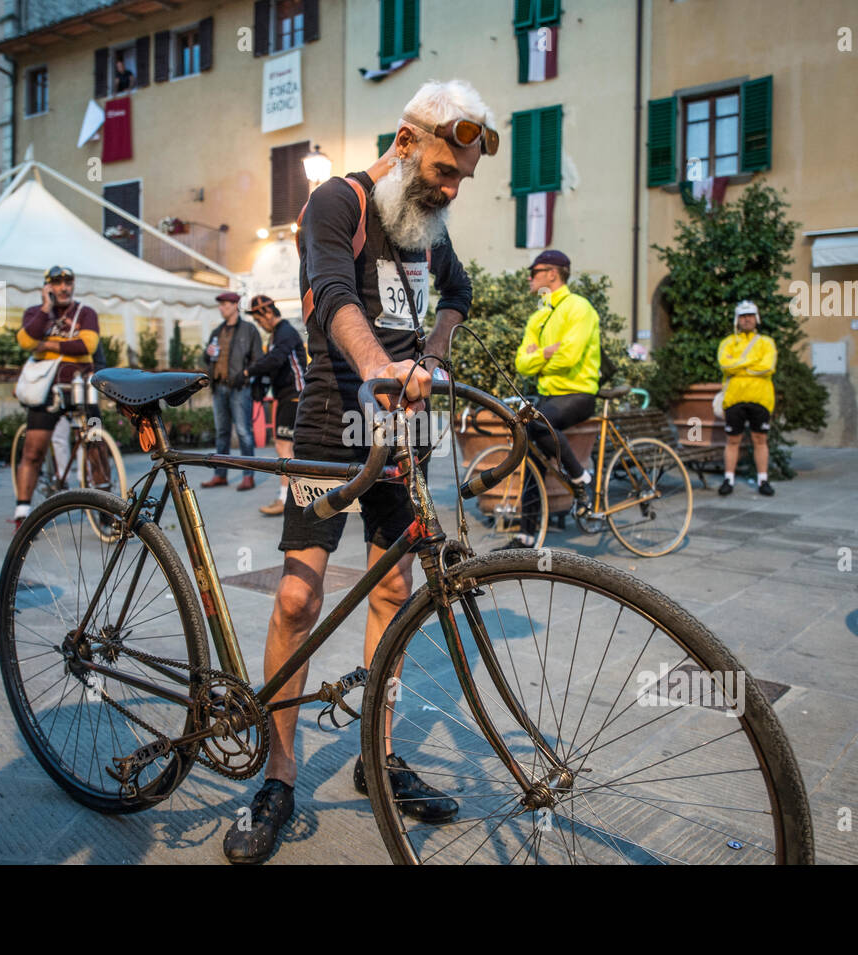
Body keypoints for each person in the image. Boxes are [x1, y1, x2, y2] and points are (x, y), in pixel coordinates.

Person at [221, 79, 493, 865]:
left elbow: (459, 294)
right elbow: (332, 293)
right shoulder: (339, 203)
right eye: (444, 170)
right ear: (407, 143)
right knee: (300, 596)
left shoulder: (428, 225)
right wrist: (379, 366)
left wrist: (430, 359)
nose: (450, 189)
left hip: (401, 433)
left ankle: (379, 757)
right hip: (331, 425)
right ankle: (278, 772)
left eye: (461, 180)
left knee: (395, 590)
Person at [501, 249, 601, 549]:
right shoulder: (539, 316)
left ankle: (581, 478)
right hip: (550, 395)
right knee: (530, 455)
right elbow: (522, 362)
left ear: (553, 274)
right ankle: (526, 535)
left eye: (535, 271)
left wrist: (539, 356)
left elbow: (569, 357)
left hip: (579, 393)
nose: (530, 277)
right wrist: (548, 351)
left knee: (538, 425)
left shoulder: (579, 308)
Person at [12, 265, 102, 524]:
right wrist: (45, 309)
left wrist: (47, 344)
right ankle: (22, 512)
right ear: (48, 286)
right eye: (57, 282)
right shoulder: (35, 313)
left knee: (96, 442)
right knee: (33, 451)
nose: (64, 287)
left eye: (68, 282)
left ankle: (107, 510)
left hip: (81, 387)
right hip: (47, 391)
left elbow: (88, 345)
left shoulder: (85, 313)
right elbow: (26, 342)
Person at [241, 294, 306, 516]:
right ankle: (296, 497)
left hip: (294, 395)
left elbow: (275, 360)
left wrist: (249, 372)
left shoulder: (284, 332)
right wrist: (261, 382)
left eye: (259, 320)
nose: (260, 324)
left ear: (267, 313)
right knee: (288, 447)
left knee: (285, 447)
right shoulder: (278, 335)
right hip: (289, 395)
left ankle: (288, 499)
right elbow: (276, 365)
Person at [201, 291, 261, 491]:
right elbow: (207, 356)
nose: (221, 308)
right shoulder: (217, 331)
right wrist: (207, 354)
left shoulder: (249, 329)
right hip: (219, 387)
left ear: (235, 305)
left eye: (225, 304)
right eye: (220, 305)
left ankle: (248, 475)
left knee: (244, 432)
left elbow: (258, 360)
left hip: (240, 388)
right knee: (222, 433)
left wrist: (244, 376)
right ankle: (220, 474)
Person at [717, 300, 777, 496]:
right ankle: (729, 479)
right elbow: (725, 365)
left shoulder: (766, 342)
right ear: (737, 319)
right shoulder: (727, 342)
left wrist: (739, 366)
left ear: (756, 317)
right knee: (732, 440)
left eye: (750, 315)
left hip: (761, 399)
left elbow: (768, 366)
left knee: (760, 439)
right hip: (734, 398)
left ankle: (763, 480)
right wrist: (753, 364)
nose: (747, 319)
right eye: (743, 316)